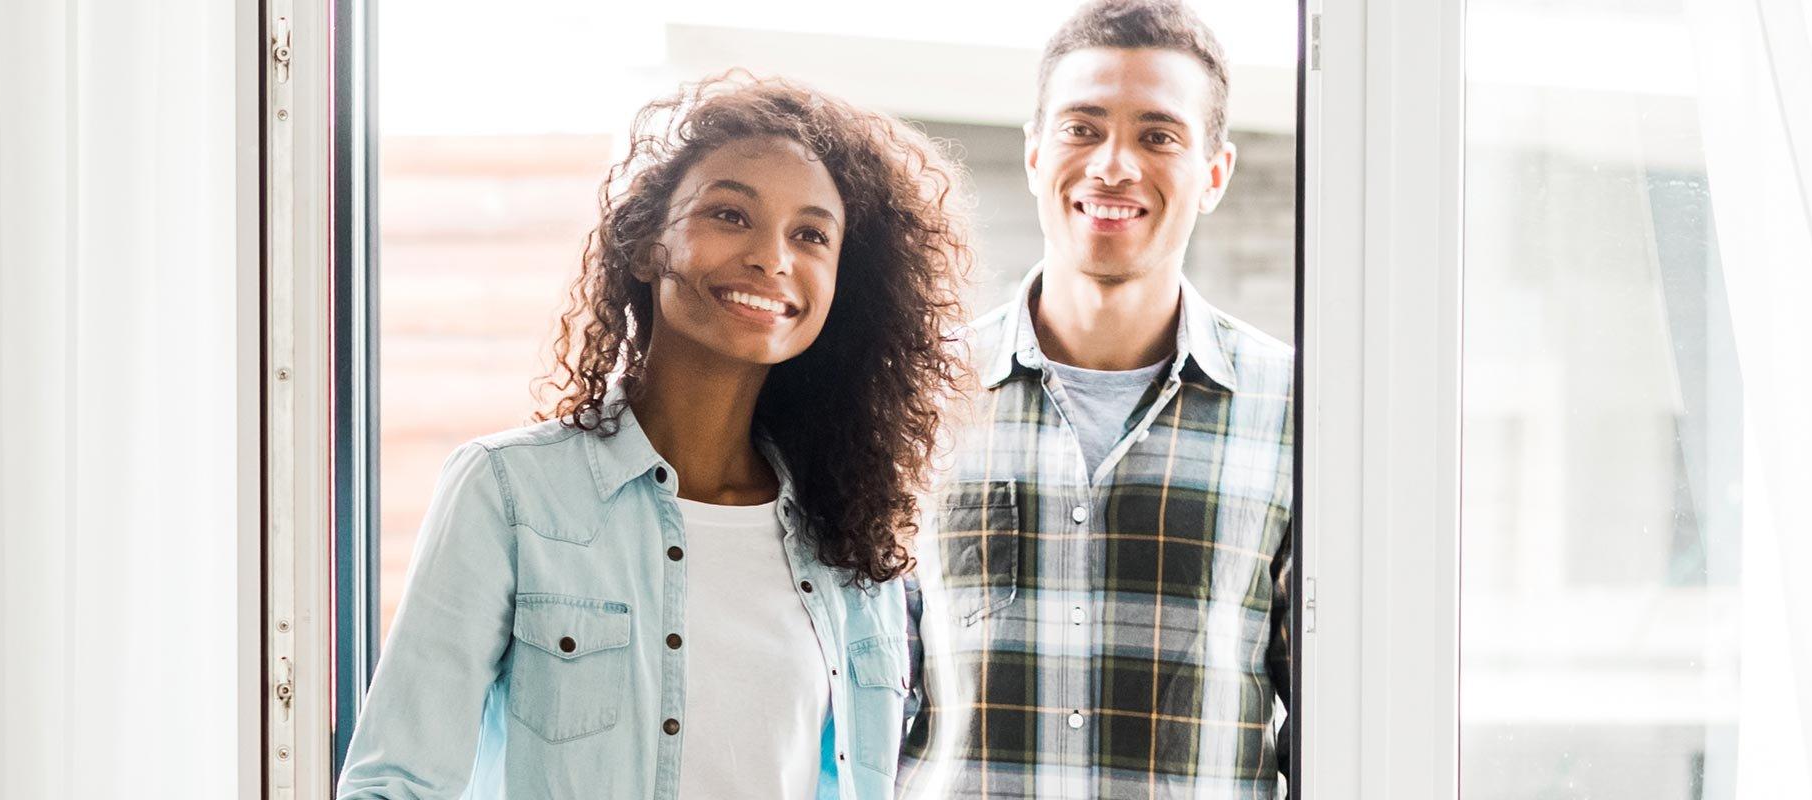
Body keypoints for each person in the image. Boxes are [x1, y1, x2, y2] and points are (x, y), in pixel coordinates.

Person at [336, 71, 975, 800]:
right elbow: (393, 785)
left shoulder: (850, 542)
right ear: (645, 245)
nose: (773, 257)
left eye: (810, 234)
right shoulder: (510, 494)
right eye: (731, 215)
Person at [900, 1, 1303, 796]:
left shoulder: (1295, 408)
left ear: (1214, 173)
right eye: (1083, 128)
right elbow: (864, 687)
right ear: (1034, 154)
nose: (1113, 164)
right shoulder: (918, 393)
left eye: (1158, 135)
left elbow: (1334, 722)